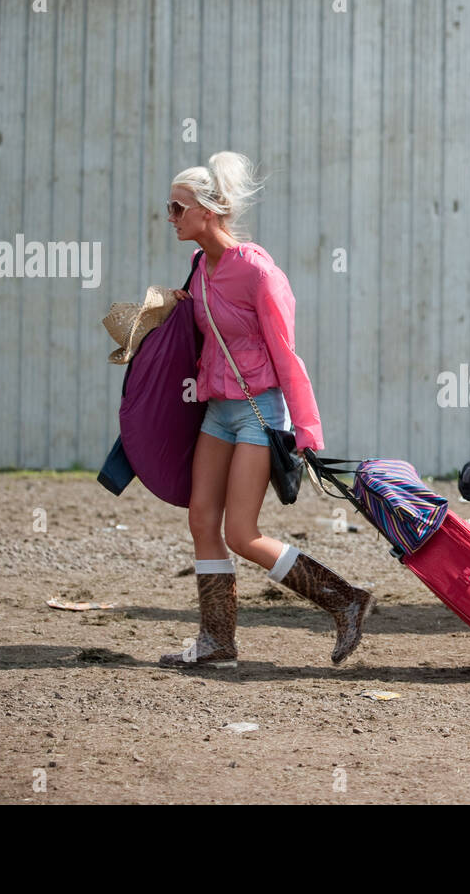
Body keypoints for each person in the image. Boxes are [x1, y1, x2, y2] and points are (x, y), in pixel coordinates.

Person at [159, 151, 372, 668]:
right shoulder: (198, 267)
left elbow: (285, 351)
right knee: (201, 519)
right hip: (218, 410)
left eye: (176, 207)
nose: (169, 216)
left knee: (242, 533)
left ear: (207, 212)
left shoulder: (256, 269)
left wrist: (306, 429)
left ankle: (343, 598)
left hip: (259, 412)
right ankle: (217, 643)